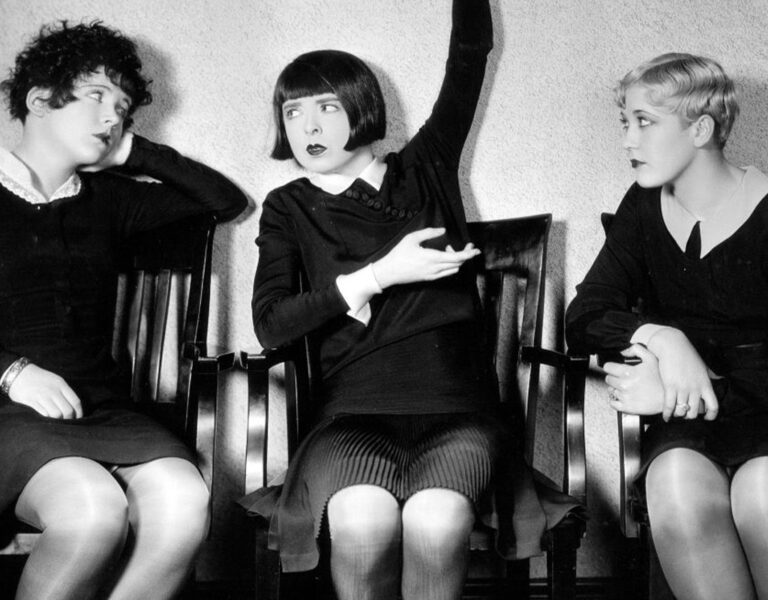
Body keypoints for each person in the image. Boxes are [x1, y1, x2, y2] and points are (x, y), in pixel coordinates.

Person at [241, 1, 578, 599]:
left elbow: (469, 56)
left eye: (326, 107)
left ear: (363, 108)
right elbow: (271, 325)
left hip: (457, 411)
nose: (309, 128)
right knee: (360, 523)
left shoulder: (426, 169)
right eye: (293, 112)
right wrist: (380, 274)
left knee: (437, 521)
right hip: (351, 415)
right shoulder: (288, 207)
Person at [0, 20, 247, 600]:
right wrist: (12, 371)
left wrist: (133, 150)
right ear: (40, 99)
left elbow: (224, 200)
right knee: (92, 509)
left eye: (123, 108)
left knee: (184, 503)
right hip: (7, 411)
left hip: (100, 409)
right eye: (96, 95)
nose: (112, 116)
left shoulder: (110, 199)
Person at [566, 52, 768, 600]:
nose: (628, 140)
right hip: (691, 428)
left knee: (762, 497)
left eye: (644, 122)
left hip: (762, 414)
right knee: (675, 483)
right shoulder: (643, 206)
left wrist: (683, 391)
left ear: (700, 129)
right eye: (625, 122)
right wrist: (662, 338)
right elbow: (585, 315)